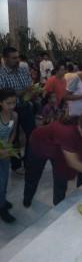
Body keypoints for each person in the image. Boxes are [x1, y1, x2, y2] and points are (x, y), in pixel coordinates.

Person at [0, 47, 35, 171]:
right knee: (13, 137)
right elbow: (6, 95)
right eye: (14, 58)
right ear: (5, 59)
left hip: (25, 107)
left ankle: (29, 161)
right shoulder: (2, 75)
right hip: (10, 111)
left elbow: (29, 85)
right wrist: (24, 90)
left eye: (18, 57)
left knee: (32, 134)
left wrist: (33, 91)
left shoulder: (23, 70)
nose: (17, 60)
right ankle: (16, 165)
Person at [0, 90, 17, 223]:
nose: (12, 106)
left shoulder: (14, 116)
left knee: (4, 180)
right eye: (8, 103)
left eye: (14, 102)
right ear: (1, 103)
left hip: (5, 154)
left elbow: (13, 133)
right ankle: (2, 209)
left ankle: (2, 200)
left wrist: (8, 146)